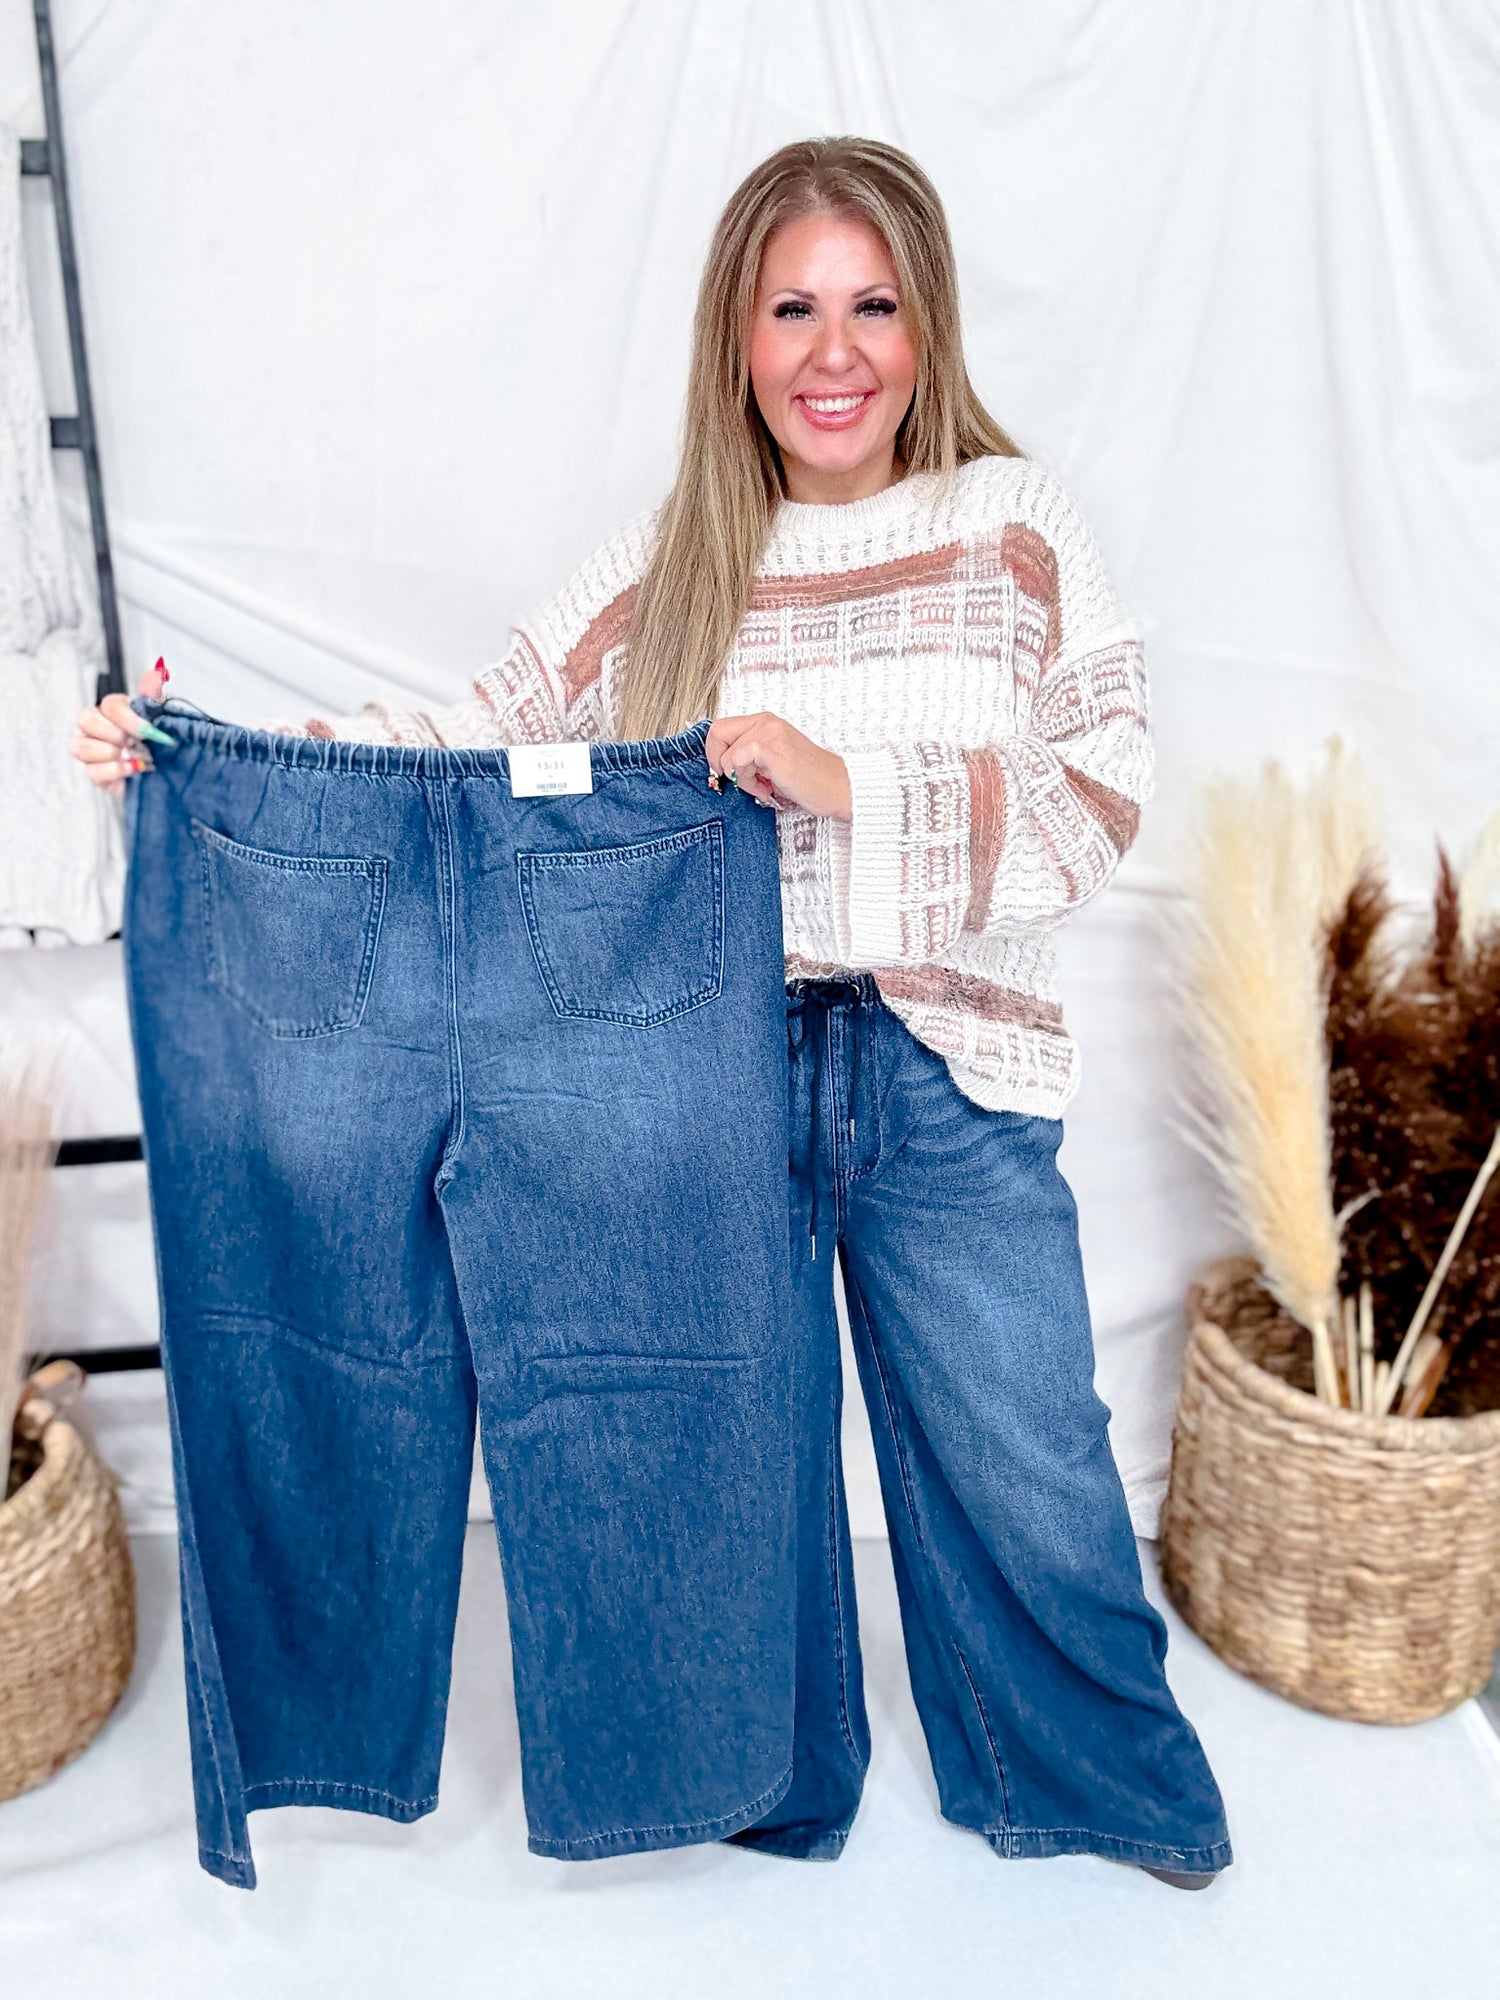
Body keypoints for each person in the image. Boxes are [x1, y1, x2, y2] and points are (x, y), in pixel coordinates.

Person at [72, 136, 1231, 1887]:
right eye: (791, 310)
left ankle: (1092, 1782)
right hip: (699, 1073)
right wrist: (226, 762)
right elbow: (471, 749)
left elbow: (1101, 797)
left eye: (872, 306)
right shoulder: (672, 562)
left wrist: (843, 780)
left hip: (953, 1072)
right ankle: (770, 1781)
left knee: (1030, 1445)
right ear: (735, 338)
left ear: (927, 326)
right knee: (733, 1450)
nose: (832, 353)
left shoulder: (1016, 527)